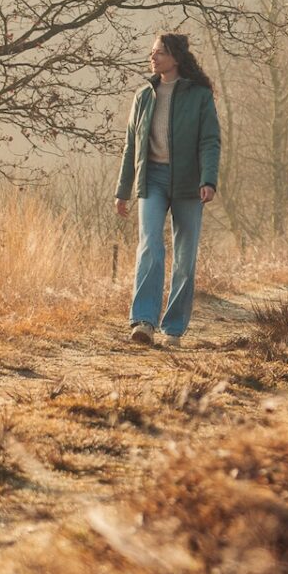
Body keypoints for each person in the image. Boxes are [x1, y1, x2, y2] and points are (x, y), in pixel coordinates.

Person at [116, 32, 221, 348]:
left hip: (189, 182)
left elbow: (210, 141)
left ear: (176, 57)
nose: (153, 57)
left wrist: (208, 180)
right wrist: (123, 190)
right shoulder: (143, 96)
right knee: (150, 247)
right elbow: (131, 145)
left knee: (185, 258)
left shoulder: (199, 95)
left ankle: (173, 329)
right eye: (152, 52)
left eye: (159, 52)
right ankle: (144, 322)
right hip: (153, 179)